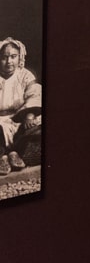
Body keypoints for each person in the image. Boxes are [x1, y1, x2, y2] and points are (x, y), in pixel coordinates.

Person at [0, 37, 41, 175]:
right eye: (4, 57)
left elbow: (34, 94)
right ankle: (3, 157)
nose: (9, 61)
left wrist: (29, 115)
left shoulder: (24, 75)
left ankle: (15, 153)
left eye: (13, 57)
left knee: (37, 129)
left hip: (19, 118)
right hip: (0, 122)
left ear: (20, 57)